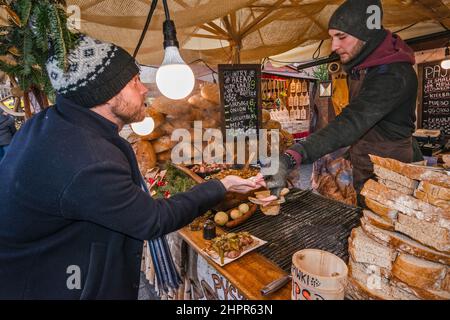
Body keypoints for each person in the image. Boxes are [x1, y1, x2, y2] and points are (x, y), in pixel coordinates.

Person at [0, 35, 263, 299]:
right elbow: (154, 220)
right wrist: (221, 184)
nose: (144, 89)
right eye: (133, 81)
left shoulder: (49, 122)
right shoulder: (89, 161)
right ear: (106, 93)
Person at [265, 0, 419, 205]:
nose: (334, 46)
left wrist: (295, 154)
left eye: (341, 37)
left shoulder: (393, 74)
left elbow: (353, 120)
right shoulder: (364, 68)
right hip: (364, 165)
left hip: (390, 175)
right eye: (332, 37)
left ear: (367, 35)